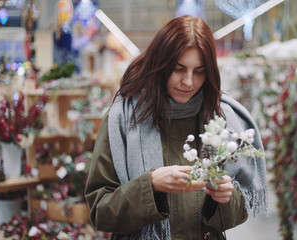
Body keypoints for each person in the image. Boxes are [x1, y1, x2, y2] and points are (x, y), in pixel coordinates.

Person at [85, 15, 268, 240]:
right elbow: (100, 212)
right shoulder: (123, 119)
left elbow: (237, 213)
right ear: (160, 64)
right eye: (179, 69)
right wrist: (150, 185)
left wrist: (224, 197)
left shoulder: (220, 118)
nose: (188, 82)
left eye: (199, 71)